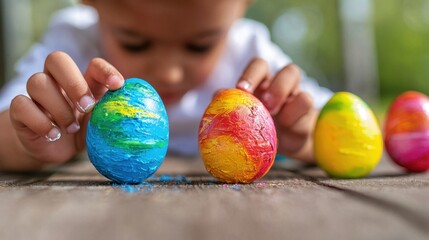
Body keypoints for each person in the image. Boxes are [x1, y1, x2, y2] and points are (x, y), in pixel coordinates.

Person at [0, 0, 332, 171]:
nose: (171, 74)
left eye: (200, 46)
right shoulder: (73, 47)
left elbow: (334, 126)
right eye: (135, 43)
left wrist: (300, 136)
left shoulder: (251, 57)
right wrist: (29, 141)